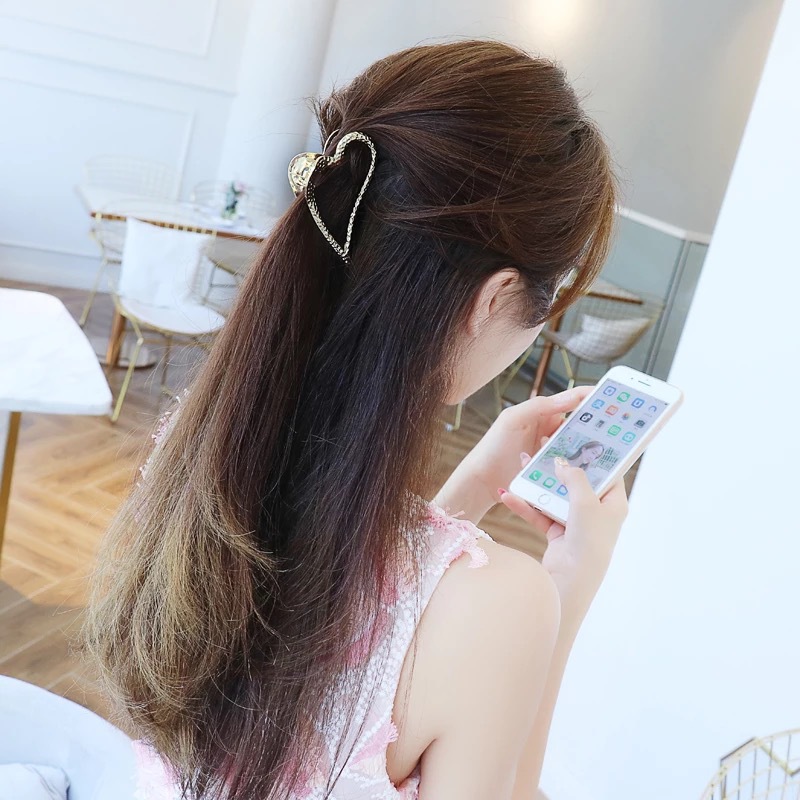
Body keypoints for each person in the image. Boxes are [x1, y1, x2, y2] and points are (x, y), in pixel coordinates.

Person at [82, 39, 628, 800]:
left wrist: (475, 486)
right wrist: (565, 591)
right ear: (497, 298)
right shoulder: (503, 606)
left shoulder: (202, 447)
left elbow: (349, 605)